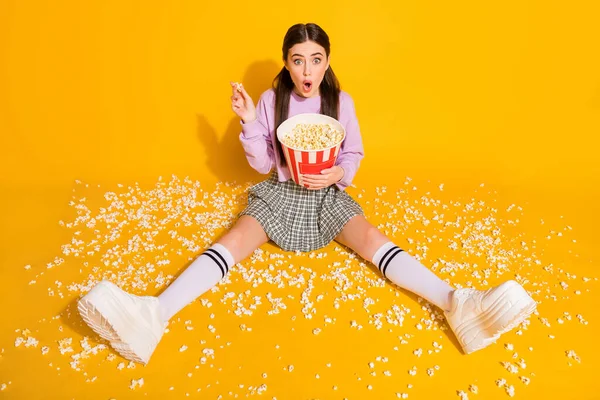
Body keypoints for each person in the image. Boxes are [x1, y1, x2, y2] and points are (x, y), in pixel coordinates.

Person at [77, 23, 536, 365]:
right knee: (234, 240)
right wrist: (247, 121)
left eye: (316, 59)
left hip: (328, 196)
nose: (307, 69)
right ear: (286, 62)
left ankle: (459, 304)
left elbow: (353, 153)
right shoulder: (270, 100)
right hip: (280, 191)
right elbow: (260, 164)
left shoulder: (342, 102)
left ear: (328, 62)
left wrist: (337, 170)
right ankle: (154, 313)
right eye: (298, 59)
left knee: (372, 238)